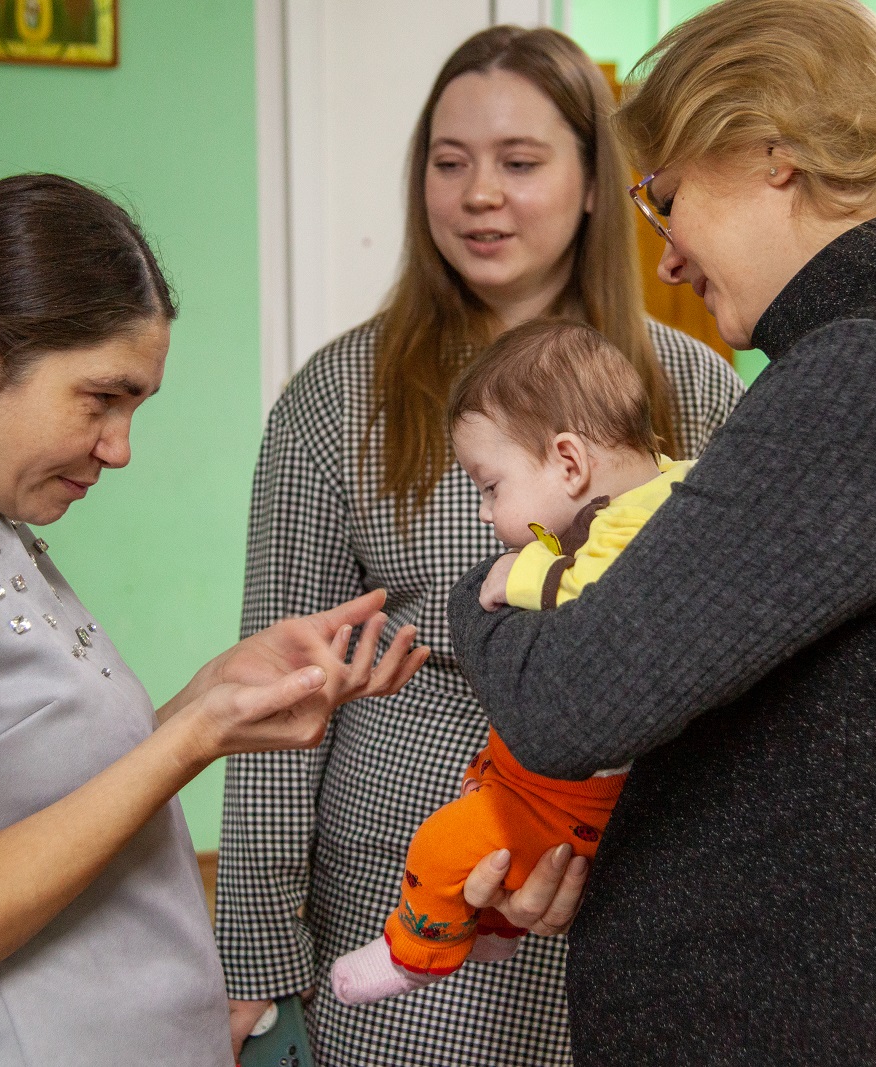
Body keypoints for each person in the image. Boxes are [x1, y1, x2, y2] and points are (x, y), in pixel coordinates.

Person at [447, 1, 876, 1064]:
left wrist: (493, 583)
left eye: (665, 199)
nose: (666, 258)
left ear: (772, 155)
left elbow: (567, 698)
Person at [0, 174, 427, 1067]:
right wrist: (192, 739)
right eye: (102, 398)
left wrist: (206, 699)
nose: (120, 447)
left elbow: (28, 799)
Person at [216, 24, 742, 1067]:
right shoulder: (337, 396)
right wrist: (257, 951)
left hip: (628, 856)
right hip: (411, 869)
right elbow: (276, 684)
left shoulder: (692, 386)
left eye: (518, 161)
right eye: (447, 163)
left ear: (596, 183)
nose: (477, 195)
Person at [330, 320, 695, 1006]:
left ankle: (417, 952)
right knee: (488, 812)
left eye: (489, 486)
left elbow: (608, 593)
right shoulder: (677, 485)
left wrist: (516, 574)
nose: (483, 510)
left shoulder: (628, 527)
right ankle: (490, 926)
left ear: (567, 462)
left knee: (442, 846)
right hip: (559, 783)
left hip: (576, 794)